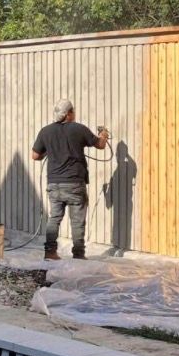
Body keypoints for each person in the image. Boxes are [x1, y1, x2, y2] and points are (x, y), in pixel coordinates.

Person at [30, 99, 109, 260]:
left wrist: (49, 151)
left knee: (54, 218)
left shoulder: (45, 131)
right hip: (74, 183)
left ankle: (50, 252)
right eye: (73, 111)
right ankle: (78, 254)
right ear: (68, 114)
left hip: (54, 184)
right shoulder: (79, 129)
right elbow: (100, 145)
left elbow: (35, 155)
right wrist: (104, 135)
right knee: (77, 220)